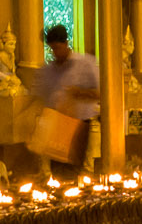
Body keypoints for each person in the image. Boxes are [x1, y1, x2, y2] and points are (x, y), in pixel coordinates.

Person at [32, 23, 99, 176]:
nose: (55, 53)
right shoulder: (48, 70)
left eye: (58, 48)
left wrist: (79, 93)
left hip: (78, 124)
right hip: (56, 122)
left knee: (73, 167)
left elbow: (100, 93)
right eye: (52, 49)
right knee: (57, 169)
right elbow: (40, 97)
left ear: (66, 44)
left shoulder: (85, 64)